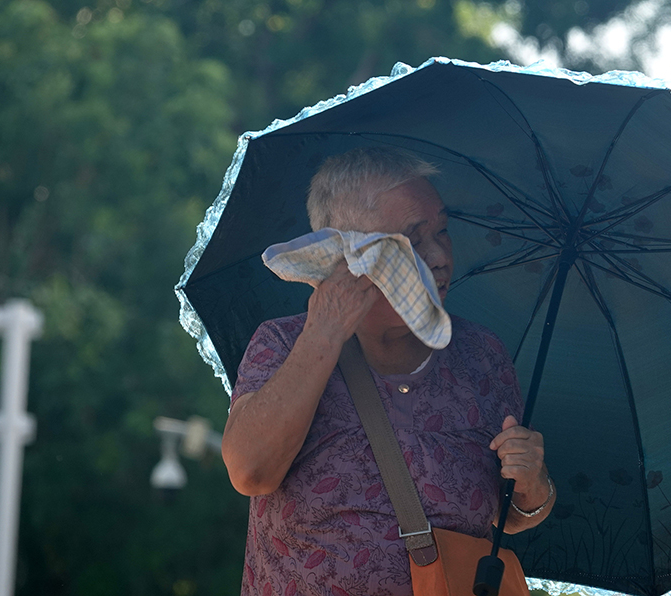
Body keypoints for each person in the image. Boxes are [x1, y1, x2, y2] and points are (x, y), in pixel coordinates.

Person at [221, 147, 553, 596]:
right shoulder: (281, 344)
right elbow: (250, 471)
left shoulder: (481, 356)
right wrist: (324, 333)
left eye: (443, 231)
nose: (439, 257)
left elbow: (506, 515)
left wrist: (534, 486)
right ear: (348, 253)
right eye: (413, 242)